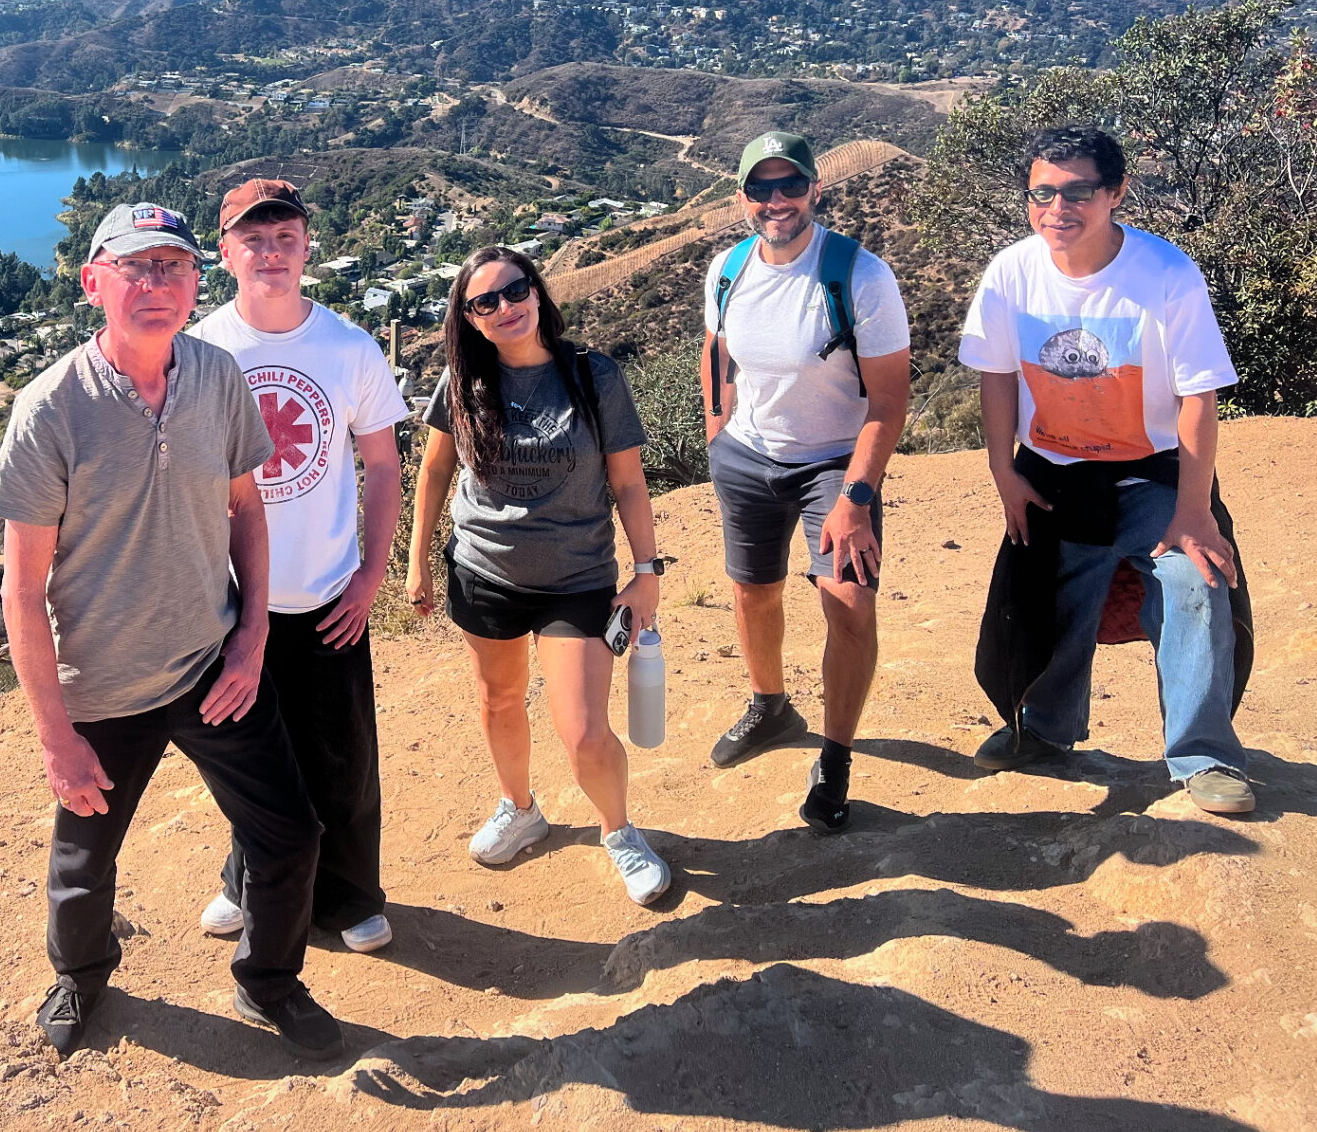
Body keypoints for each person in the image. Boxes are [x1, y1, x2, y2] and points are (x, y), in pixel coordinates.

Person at [0, 200, 342, 1061]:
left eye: (173, 267)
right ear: (93, 281)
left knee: (290, 836)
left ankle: (270, 981)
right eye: (135, 267)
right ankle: (81, 975)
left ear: (196, 281)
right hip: (103, 689)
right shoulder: (50, 409)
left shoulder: (217, 377)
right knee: (83, 866)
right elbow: (21, 590)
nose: (156, 285)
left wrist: (251, 640)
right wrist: (54, 735)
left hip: (210, 665)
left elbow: (246, 512)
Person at [960, 126, 1256, 815]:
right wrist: (1004, 476)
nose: (1056, 208)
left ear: (1116, 193)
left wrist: (1193, 509)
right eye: (1041, 192)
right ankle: (1044, 734)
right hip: (1054, 469)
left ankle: (1204, 755)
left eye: (1077, 192)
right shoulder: (1012, 271)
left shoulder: (1164, 274)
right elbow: (997, 379)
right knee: (1045, 591)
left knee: (1195, 580)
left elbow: (1198, 396)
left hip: (1152, 473)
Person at [405, 246, 674, 905]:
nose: (505, 308)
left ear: (538, 292)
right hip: (483, 572)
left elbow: (629, 482)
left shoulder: (593, 375)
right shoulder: (462, 383)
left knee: (584, 728)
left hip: (576, 577)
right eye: (485, 301)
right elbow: (436, 471)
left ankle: (619, 831)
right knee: (499, 700)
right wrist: (416, 562)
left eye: (515, 290)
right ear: (468, 318)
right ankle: (520, 807)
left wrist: (646, 572)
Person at [187, 178, 407, 954]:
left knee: (341, 753)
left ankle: (351, 896)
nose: (270, 253)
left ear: (308, 246)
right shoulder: (200, 350)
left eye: (284, 238)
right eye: (253, 239)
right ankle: (245, 882)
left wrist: (371, 574)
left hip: (324, 593)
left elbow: (383, 465)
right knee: (248, 759)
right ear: (225, 254)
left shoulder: (347, 347)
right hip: (228, 599)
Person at [698, 130, 912, 833]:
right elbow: (717, 351)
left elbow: (888, 403)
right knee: (752, 592)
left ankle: (837, 754)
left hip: (834, 463)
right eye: (761, 189)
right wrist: (716, 433)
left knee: (848, 604)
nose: (776, 201)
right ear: (742, 199)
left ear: (816, 188)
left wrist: (856, 496)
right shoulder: (727, 269)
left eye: (790, 185)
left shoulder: (861, 275)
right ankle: (770, 705)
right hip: (749, 457)